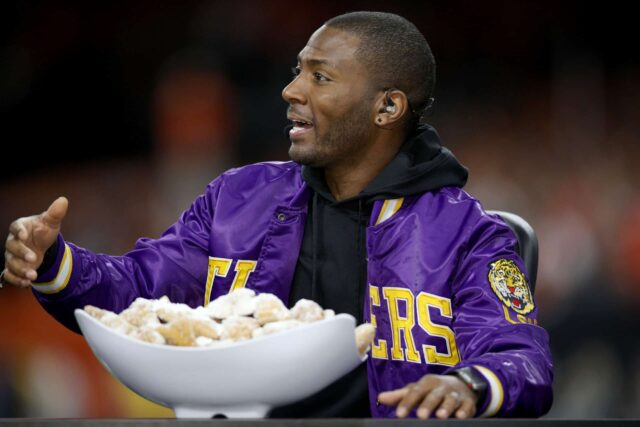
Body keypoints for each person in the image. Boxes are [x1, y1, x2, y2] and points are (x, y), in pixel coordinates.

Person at [2, 11, 553, 419]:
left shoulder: (468, 233)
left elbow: (519, 355)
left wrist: (469, 385)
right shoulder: (238, 198)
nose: (290, 90)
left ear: (388, 107)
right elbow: (141, 294)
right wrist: (56, 263)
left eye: (320, 77)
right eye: (297, 72)